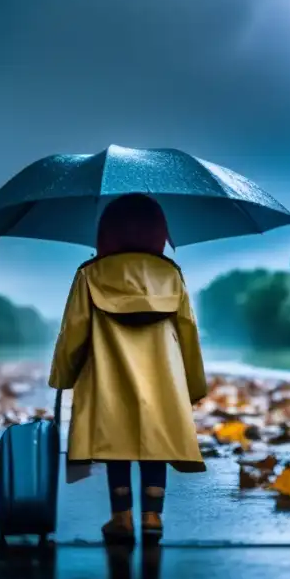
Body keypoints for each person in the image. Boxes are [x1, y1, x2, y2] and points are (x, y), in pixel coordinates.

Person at [49, 193, 207, 546]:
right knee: (157, 439)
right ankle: (153, 515)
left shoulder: (89, 274)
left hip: (108, 372)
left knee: (114, 439)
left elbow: (73, 331)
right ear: (159, 232)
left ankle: (122, 516)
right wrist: (193, 385)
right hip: (162, 376)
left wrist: (63, 376)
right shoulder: (172, 275)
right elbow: (188, 331)